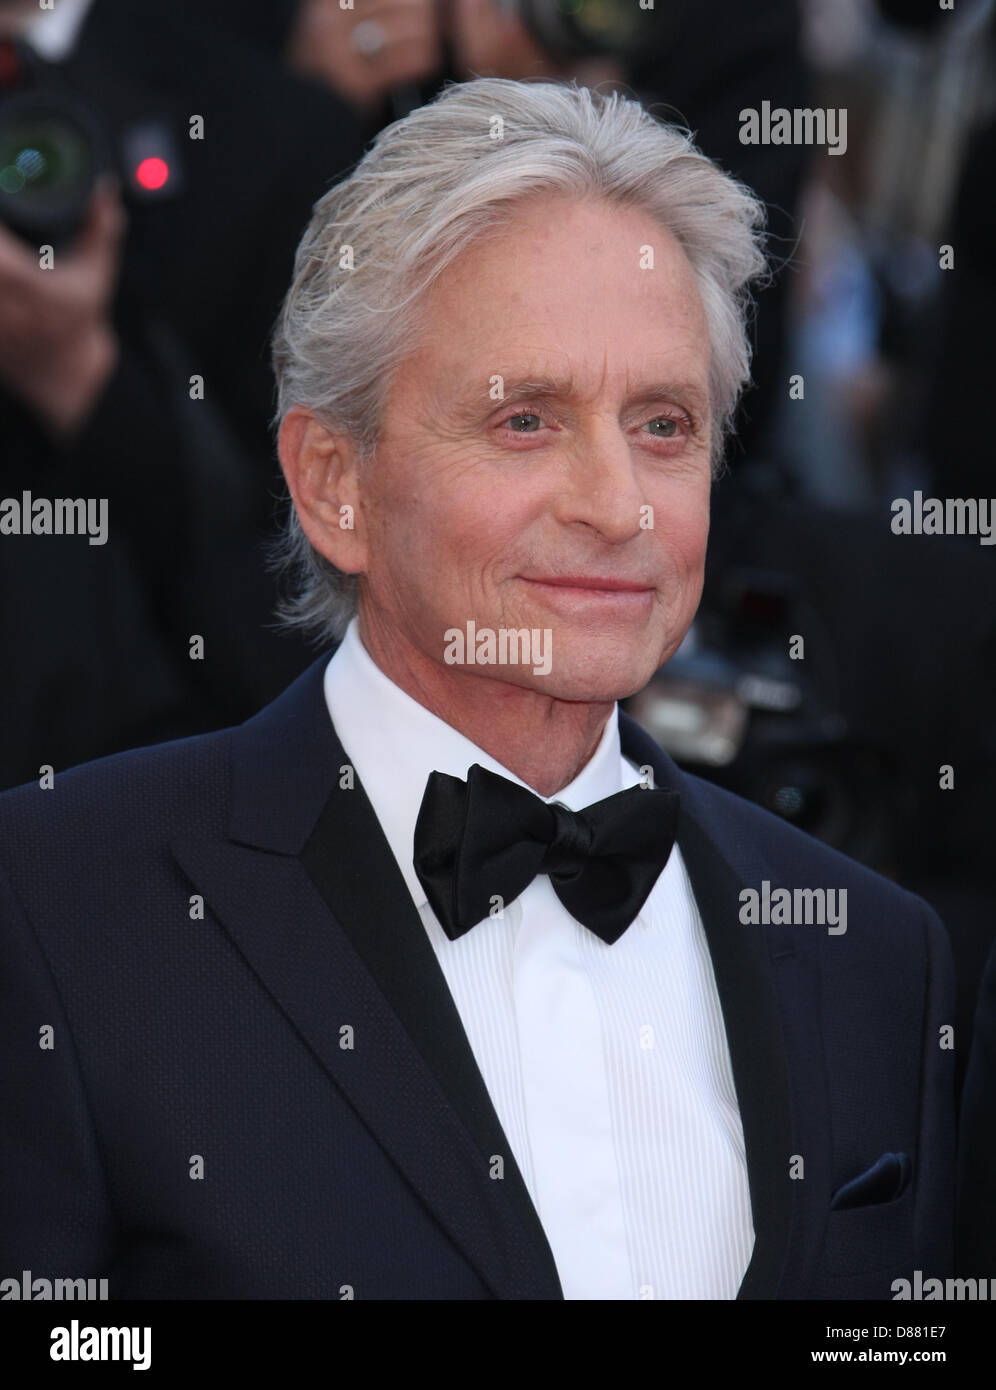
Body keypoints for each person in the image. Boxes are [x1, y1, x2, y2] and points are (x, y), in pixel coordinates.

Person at [0, 78, 954, 1301]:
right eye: (526, 421)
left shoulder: (874, 955)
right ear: (334, 482)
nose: (617, 506)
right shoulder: (61, 906)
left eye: (663, 424)